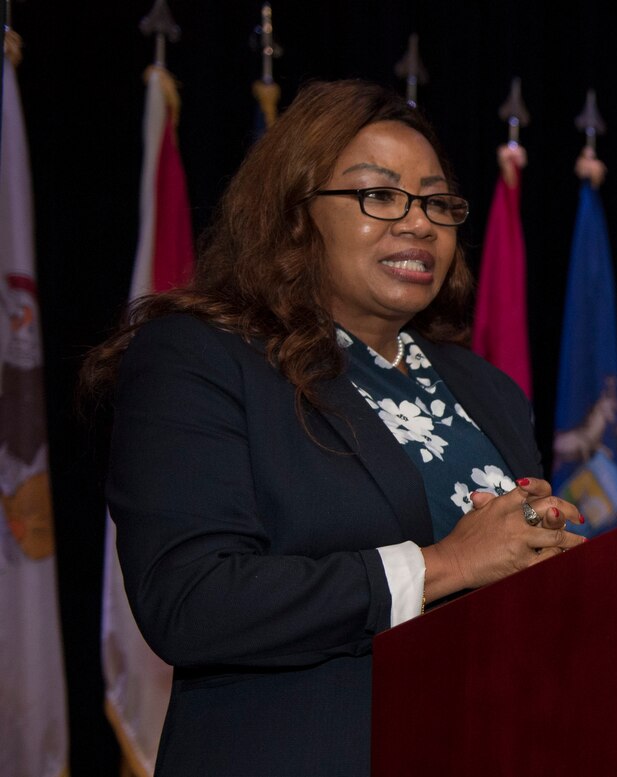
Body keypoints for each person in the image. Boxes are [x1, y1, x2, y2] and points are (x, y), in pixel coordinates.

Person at [82, 79, 585, 776]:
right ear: (295, 215)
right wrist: (446, 564)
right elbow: (189, 598)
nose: (419, 224)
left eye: (437, 202)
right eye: (379, 195)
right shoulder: (200, 359)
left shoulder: (488, 390)